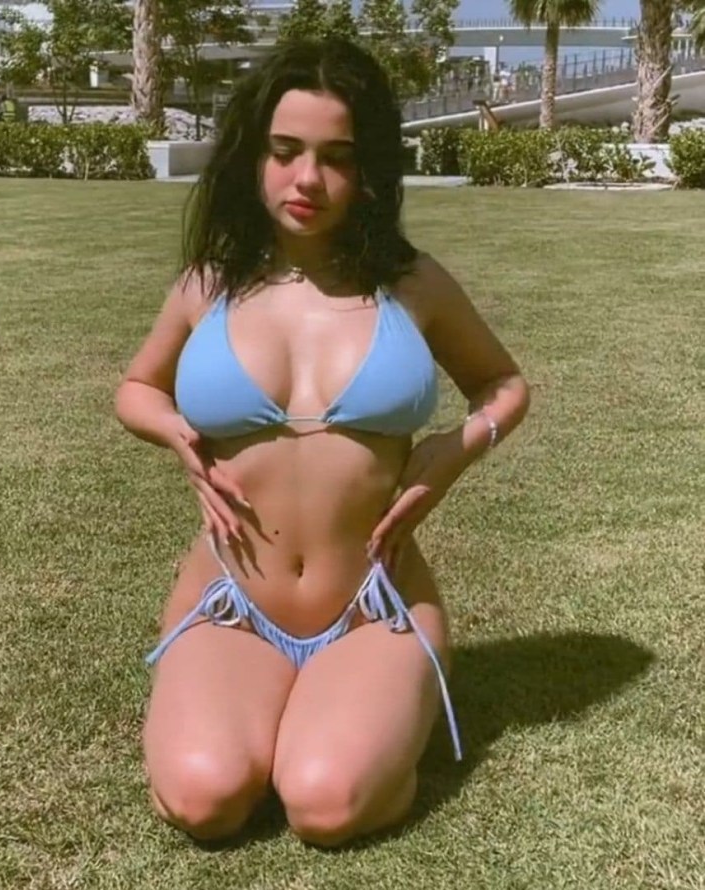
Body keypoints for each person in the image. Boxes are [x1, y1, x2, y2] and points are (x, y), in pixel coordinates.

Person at [115, 37, 530, 848]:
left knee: (326, 806)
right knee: (203, 799)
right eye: (285, 151)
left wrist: (455, 450)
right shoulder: (209, 284)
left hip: (374, 607)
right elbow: (137, 388)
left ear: (367, 168)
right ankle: (262, 713)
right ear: (253, 157)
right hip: (229, 604)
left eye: (336, 157)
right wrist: (173, 431)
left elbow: (503, 385)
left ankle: (352, 720)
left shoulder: (411, 284)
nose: (307, 179)